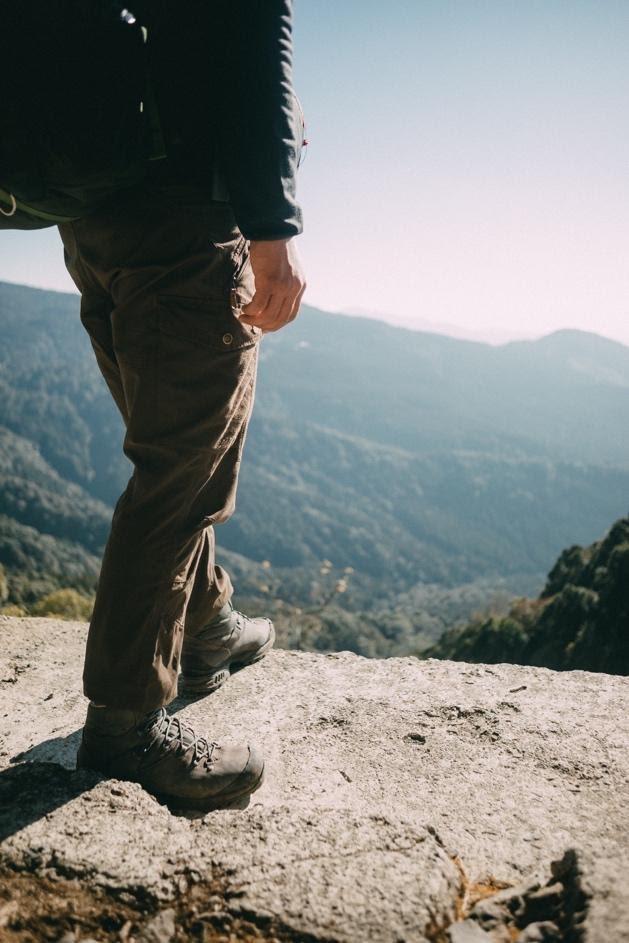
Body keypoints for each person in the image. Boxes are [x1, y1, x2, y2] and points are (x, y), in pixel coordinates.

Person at [57, 1, 306, 810]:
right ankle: (128, 722)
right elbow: (257, 66)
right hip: (185, 220)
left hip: (90, 217)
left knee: (171, 445)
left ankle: (205, 626)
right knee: (180, 472)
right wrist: (274, 228)